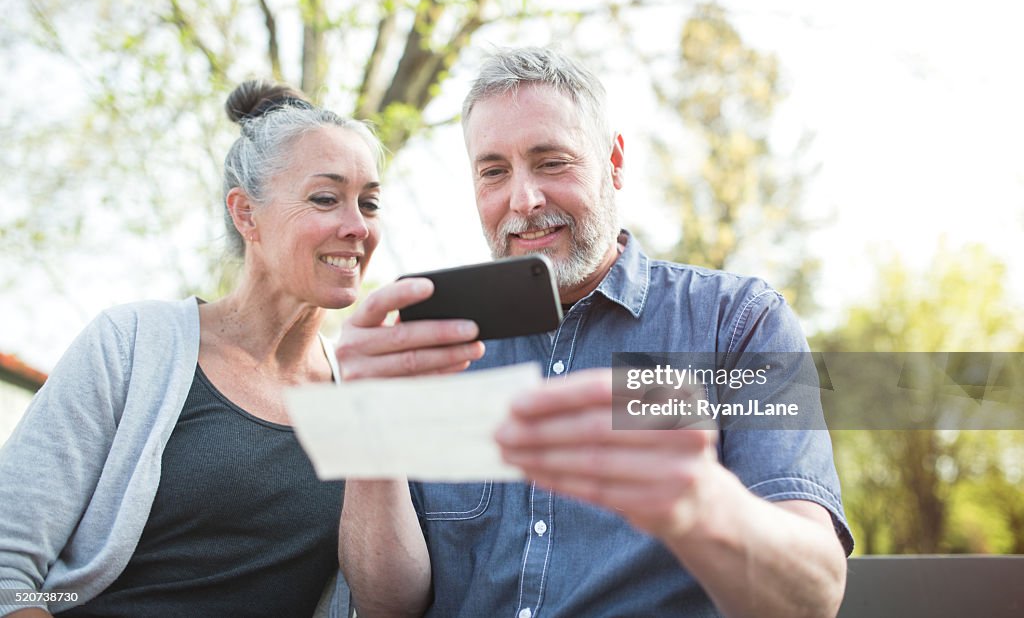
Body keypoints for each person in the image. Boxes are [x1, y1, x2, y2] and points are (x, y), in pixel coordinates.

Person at [334, 47, 854, 617]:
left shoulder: (737, 323)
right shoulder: (429, 351)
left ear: (615, 162)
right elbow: (389, 605)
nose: (524, 199)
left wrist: (702, 502)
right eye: (494, 172)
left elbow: (813, 598)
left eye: (552, 162)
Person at [0, 79, 385, 617]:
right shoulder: (131, 346)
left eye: (369, 203)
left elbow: (391, 594)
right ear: (246, 214)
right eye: (326, 199)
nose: (357, 227)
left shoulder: (366, 394)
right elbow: (10, 569)